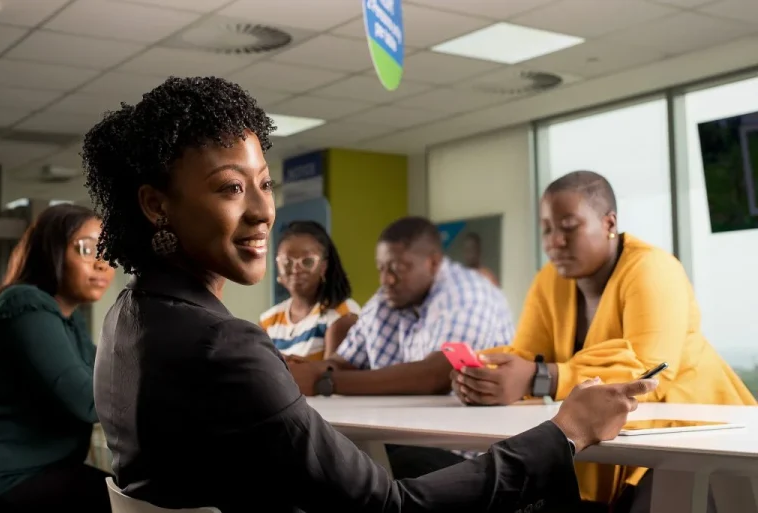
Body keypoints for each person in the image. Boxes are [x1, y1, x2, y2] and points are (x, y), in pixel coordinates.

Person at [83, 76, 658, 513]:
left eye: (264, 184)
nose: (262, 212)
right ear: (156, 204)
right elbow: (389, 508)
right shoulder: (223, 346)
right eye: (231, 188)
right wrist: (566, 433)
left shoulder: (129, 318)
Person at [451, 170, 756, 512]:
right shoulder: (549, 280)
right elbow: (527, 355)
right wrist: (487, 376)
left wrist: (540, 378)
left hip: (700, 441)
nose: (555, 241)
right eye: (547, 229)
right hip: (619, 439)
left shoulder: (654, 268)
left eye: (569, 226)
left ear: (609, 223)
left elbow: (648, 374)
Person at [288, 216, 515, 399]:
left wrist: (325, 382)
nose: (386, 279)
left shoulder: (467, 293)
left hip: (474, 437)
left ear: (433, 263)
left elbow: (436, 375)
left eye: (398, 268)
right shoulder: (389, 298)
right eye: (381, 268)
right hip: (411, 430)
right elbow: (344, 363)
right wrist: (306, 369)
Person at [0, 204, 115, 512]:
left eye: (107, 250)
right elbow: (88, 399)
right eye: (87, 248)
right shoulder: (25, 303)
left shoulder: (68, 318)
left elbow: (107, 377)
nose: (103, 264)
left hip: (49, 469)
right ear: (51, 251)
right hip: (11, 477)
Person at [260, 220, 360, 360]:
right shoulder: (268, 320)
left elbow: (334, 372)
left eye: (307, 262)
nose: (296, 269)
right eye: (287, 262)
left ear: (323, 267)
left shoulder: (342, 312)